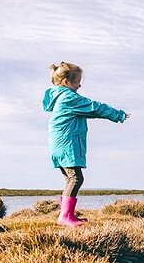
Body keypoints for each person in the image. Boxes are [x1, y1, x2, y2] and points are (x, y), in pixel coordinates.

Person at [43, 62, 130, 226]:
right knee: (76, 178)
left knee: (70, 179)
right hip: (67, 144)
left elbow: (91, 112)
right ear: (67, 82)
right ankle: (65, 216)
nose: (80, 85)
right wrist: (118, 114)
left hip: (59, 145)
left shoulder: (61, 97)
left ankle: (68, 215)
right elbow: (94, 107)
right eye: (77, 81)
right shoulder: (69, 97)